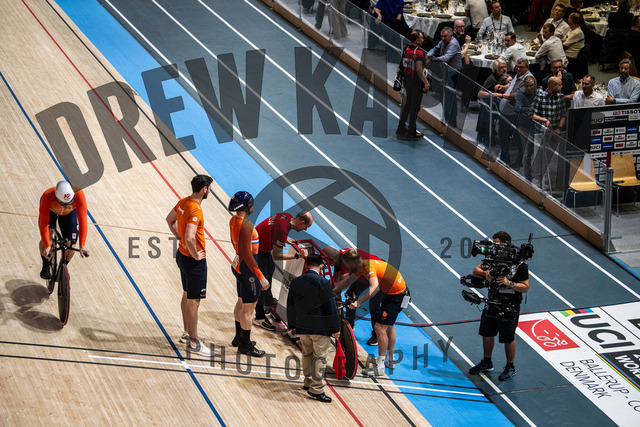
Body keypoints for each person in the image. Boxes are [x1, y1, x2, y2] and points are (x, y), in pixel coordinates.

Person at [468, 231, 530, 381]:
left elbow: (525, 287)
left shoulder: (520, 263)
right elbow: (476, 270)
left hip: (510, 305)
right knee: (487, 333)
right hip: (492, 301)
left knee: (508, 337)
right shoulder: (493, 258)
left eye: (496, 244)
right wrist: (486, 275)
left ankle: (510, 367)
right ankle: (487, 362)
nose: (494, 247)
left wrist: (509, 283)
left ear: (506, 243)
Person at [166, 174, 214, 356]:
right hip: (194, 262)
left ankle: (187, 333)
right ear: (204, 189)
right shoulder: (195, 210)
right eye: (209, 189)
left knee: (187, 294)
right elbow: (189, 237)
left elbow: (169, 220)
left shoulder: (183, 201)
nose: (209, 192)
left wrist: (181, 240)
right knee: (194, 301)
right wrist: (195, 254)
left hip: (181, 255)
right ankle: (194, 343)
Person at [342, 250, 410, 377]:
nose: (346, 268)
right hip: (393, 292)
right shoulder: (361, 266)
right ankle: (389, 359)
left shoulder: (369, 267)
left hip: (397, 296)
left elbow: (375, 287)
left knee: (380, 327)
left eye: (347, 265)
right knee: (389, 325)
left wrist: (358, 302)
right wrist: (334, 291)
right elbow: (348, 281)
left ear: (352, 263)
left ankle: (380, 366)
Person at [287, 253, 340, 403]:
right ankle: (316, 389)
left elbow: (291, 305)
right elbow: (330, 307)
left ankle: (308, 381)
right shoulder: (323, 282)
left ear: (307, 264)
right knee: (319, 358)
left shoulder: (296, 281)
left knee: (307, 354)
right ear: (321, 265)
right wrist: (335, 328)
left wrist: (292, 325)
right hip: (320, 328)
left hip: (303, 327)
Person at [253, 210, 313, 330]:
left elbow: (275, 230)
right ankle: (259, 317)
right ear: (301, 223)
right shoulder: (282, 229)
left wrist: (285, 239)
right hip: (256, 249)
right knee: (263, 283)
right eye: (306, 227)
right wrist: (297, 256)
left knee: (270, 268)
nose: (305, 230)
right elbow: (277, 255)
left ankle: (268, 301)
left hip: (261, 245)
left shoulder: (287, 217)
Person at [228, 191, 270, 357]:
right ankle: (245, 346)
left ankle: (239, 337)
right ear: (247, 206)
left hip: (239, 265)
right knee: (249, 308)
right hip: (248, 269)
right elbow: (247, 254)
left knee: (241, 301)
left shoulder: (234, 220)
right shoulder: (246, 226)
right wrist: (261, 277)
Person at [323, 246, 382, 345]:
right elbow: (340, 279)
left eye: (327, 261)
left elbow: (345, 279)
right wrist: (332, 292)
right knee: (350, 296)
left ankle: (377, 336)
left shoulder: (349, 261)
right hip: (363, 275)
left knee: (374, 305)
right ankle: (349, 325)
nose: (328, 264)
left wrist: (359, 301)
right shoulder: (341, 259)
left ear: (331, 258)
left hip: (379, 278)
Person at [39, 180, 90, 280]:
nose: (67, 205)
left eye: (69, 202)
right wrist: (47, 245)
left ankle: (63, 268)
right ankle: (45, 264)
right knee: (48, 236)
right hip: (51, 211)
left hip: (69, 214)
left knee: (71, 244)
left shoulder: (79, 194)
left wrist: (82, 245)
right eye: (64, 204)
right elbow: (43, 224)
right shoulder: (47, 196)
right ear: (57, 197)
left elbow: (83, 221)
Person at [497, 58, 534, 163]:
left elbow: (516, 96)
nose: (518, 69)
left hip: (516, 114)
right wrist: (503, 87)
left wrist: (499, 95)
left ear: (527, 67)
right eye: (517, 67)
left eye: (521, 67)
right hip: (507, 111)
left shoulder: (528, 80)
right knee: (503, 134)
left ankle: (519, 161)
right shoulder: (518, 76)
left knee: (518, 138)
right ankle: (505, 157)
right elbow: (512, 87)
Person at [397, 30, 430, 139]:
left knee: (408, 104)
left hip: (407, 80)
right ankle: (411, 132)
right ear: (417, 40)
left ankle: (401, 127)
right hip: (416, 82)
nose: (423, 40)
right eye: (422, 38)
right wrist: (426, 83)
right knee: (415, 107)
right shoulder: (419, 52)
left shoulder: (406, 49)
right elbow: (419, 70)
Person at [428, 27, 462, 128]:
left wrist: (433, 59)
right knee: (445, 97)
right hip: (446, 73)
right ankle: (447, 120)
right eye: (441, 36)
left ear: (451, 36)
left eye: (445, 36)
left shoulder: (453, 44)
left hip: (454, 74)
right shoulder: (443, 41)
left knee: (450, 98)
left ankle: (452, 123)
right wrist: (428, 55)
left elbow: (446, 58)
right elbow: (435, 49)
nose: (442, 38)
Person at [476, 59, 511, 145]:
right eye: (501, 68)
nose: (504, 69)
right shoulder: (491, 79)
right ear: (496, 70)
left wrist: (508, 83)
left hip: (504, 103)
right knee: (485, 110)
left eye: (505, 67)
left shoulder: (506, 77)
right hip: (492, 105)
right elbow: (480, 93)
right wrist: (491, 94)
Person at [512, 75, 538, 170]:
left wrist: (527, 109)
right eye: (526, 86)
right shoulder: (521, 95)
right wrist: (532, 109)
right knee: (526, 150)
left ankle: (535, 170)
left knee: (537, 150)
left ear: (534, 85)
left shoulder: (539, 95)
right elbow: (517, 108)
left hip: (537, 127)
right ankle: (527, 171)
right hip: (524, 126)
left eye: (531, 85)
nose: (529, 88)